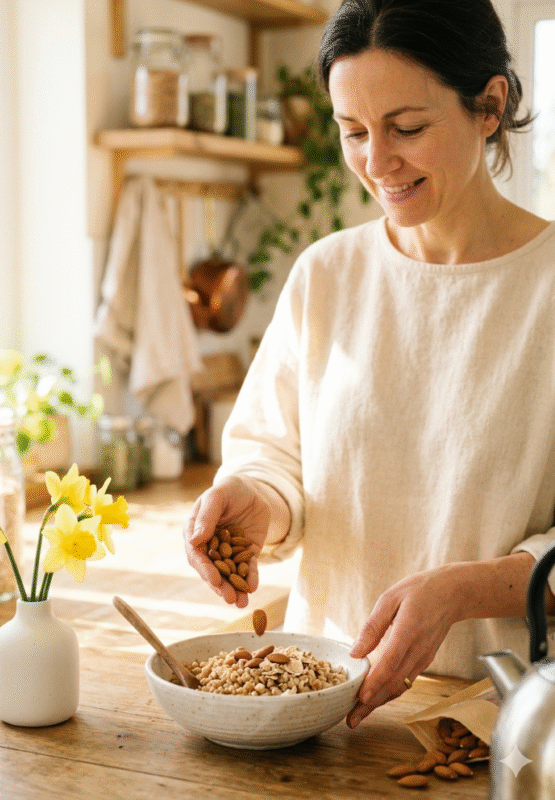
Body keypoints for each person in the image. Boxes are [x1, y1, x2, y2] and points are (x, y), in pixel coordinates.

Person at [183, 0, 555, 729]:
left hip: (503, 723)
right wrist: (258, 501)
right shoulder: (326, 274)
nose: (376, 164)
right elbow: (273, 452)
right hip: (322, 708)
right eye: (352, 132)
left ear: (488, 104)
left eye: (406, 128)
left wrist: (466, 590)